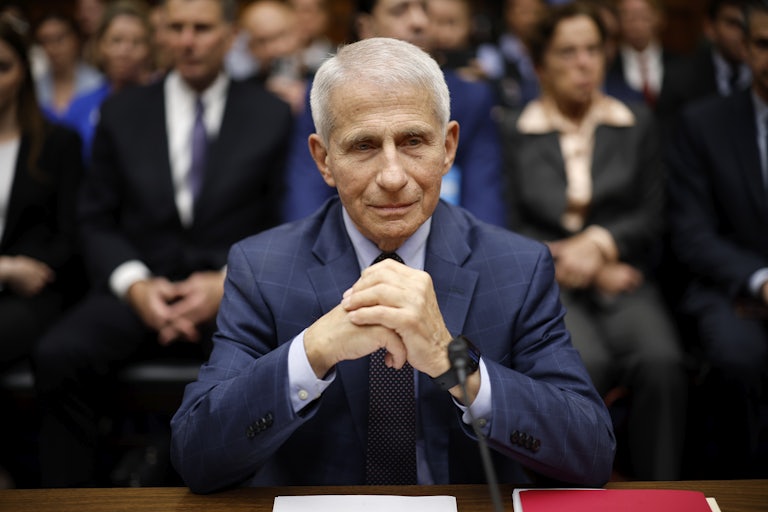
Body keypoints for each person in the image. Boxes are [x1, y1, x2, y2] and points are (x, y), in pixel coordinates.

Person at [170, 36, 616, 494]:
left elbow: (591, 454)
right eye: (363, 146)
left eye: (413, 142)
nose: (392, 176)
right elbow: (197, 456)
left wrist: (455, 365)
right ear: (324, 159)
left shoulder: (517, 267)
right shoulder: (262, 268)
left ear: (448, 147)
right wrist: (311, 352)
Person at [32, 0, 293, 488]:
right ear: (160, 34)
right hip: (141, 283)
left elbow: (286, 217)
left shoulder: (271, 113)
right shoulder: (122, 110)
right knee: (57, 355)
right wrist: (134, 286)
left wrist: (228, 282)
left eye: (201, 28)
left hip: (233, 290)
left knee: (278, 361)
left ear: (229, 36)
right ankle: (74, 498)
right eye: (176, 27)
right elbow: (95, 218)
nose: (187, 40)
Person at [497, 2, 687, 481]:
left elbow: (651, 214)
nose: (584, 63)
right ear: (539, 65)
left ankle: (660, 491)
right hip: (546, 281)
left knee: (662, 362)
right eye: (567, 52)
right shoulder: (515, 128)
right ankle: (574, 492)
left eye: (593, 50)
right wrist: (570, 258)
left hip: (621, 273)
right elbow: (508, 221)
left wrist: (598, 247)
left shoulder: (634, 121)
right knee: (585, 365)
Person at [281, 0, 506, 227]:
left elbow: (483, 198)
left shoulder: (471, 96)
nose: (419, 22)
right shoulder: (328, 95)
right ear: (366, 26)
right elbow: (306, 194)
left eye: (425, 9)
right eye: (400, 11)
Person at [665, 0, 768, 478]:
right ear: (744, 47)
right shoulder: (704, 122)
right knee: (738, 356)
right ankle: (745, 491)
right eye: (764, 43)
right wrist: (759, 280)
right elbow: (691, 233)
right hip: (730, 285)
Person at [0, 14, 84, 489]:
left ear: (24, 72)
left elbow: (70, 236)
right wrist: (5, 268)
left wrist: (23, 270)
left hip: (38, 289)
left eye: (3, 67)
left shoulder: (56, 143)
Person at [64, 0, 155, 163]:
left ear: (149, 49)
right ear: (100, 45)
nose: (125, 51)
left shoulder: (163, 101)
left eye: (136, 42)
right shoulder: (81, 106)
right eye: (116, 40)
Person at [656, 0, 751, 124]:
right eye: (733, 23)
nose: (742, 33)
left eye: (747, 24)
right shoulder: (680, 79)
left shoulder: (762, 76)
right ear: (709, 28)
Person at [33, 12, 104, 122]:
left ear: (76, 40)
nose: (52, 48)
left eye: (60, 39)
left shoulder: (98, 84)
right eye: (45, 41)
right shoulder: (35, 89)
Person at [239, 0, 307, 115]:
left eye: (280, 35)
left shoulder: (324, 84)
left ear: (299, 33)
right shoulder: (241, 94)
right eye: (261, 41)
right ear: (249, 48)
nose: (272, 49)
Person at [476, 0, 544, 109]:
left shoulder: (548, 52)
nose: (531, 19)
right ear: (508, 14)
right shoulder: (492, 54)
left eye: (536, 12)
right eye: (524, 12)